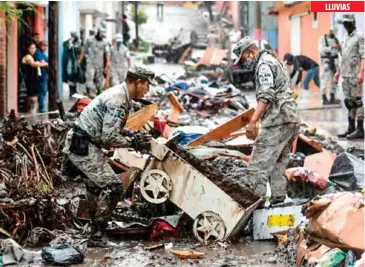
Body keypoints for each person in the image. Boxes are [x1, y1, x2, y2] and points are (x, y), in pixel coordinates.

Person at [63, 65, 156, 247]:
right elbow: (109, 137)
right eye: (147, 85)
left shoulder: (120, 96)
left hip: (83, 143)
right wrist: (133, 143)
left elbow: (112, 127)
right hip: (83, 146)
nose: (148, 90)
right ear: (138, 82)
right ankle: (97, 236)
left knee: (95, 188)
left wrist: (131, 134)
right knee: (113, 187)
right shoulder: (118, 100)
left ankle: (95, 232)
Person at [232, 37, 299, 199]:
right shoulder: (272, 59)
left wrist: (253, 122)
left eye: (243, 59)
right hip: (290, 118)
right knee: (278, 166)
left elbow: (266, 95)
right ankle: (278, 204)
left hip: (277, 121)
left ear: (249, 52)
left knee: (256, 169)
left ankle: (253, 210)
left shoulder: (263, 65)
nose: (243, 64)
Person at [335, 14, 364, 139]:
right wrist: (338, 72)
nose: (346, 26)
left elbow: (363, 56)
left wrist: (361, 72)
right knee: (348, 102)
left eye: (347, 23)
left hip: (355, 74)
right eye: (344, 24)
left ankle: (360, 129)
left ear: (352, 22)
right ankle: (351, 128)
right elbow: (344, 56)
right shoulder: (346, 36)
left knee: (357, 102)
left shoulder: (360, 36)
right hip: (345, 74)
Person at [78, 27, 111, 96]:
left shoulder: (105, 42)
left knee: (99, 81)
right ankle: (88, 92)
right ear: (98, 33)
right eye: (101, 34)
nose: (102, 36)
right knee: (89, 78)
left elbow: (107, 52)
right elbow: (84, 50)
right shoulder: (89, 40)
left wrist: (108, 62)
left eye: (103, 35)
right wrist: (80, 59)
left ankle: (98, 93)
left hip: (100, 64)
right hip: (90, 63)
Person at [22, 42, 48, 115]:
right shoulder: (28, 56)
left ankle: (32, 112)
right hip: (28, 79)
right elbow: (33, 64)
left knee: (34, 95)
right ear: (27, 49)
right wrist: (45, 64)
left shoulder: (32, 56)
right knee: (32, 96)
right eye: (31, 48)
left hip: (31, 79)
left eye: (34, 48)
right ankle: (30, 112)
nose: (33, 50)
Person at [318, 27, 341, 105]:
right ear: (330, 31)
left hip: (335, 62)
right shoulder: (323, 38)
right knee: (325, 80)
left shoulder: (336, 39)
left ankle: (332, 97)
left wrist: (340, 47)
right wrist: (331, 47)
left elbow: (339, 50)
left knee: (334, 80)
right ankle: (324, 98)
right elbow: (321, 50)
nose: (333, 34)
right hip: (326, 62)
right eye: (332, 32)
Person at [62, 31, 83, 98]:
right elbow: (66, 48)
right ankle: (71, 91)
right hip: (70, 62)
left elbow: (81, 51)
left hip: (77, 61)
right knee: (70, 75)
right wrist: (70, 45)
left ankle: (75, 90)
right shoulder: (68, 42)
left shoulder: (80, 42)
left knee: (77, 75)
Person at [34, 41, 49, 112]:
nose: (45, 47)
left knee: (43, 91)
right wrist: (46, 64)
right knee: (41, 91)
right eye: (44, 46)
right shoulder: (38, 53)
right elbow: (43, 62)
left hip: (43, 75)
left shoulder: (42, 53)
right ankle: (41, 107)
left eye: (46, 46)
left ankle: (42, 106)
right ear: (40, 46)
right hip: (39, 75)